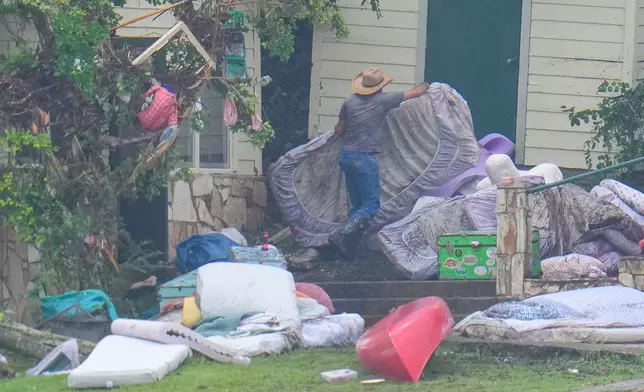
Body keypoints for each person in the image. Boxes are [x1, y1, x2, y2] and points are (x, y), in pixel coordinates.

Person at [333, 67, 430, 240]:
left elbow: (338, 129)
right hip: (363, 158)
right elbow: (415, 93)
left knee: (357, 205)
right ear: (379, 87)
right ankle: (344, 233)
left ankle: (350, 247)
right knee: (371, 205)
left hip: (346, 156)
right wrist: (428, 84)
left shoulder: (349, 102)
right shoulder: (383, 100)